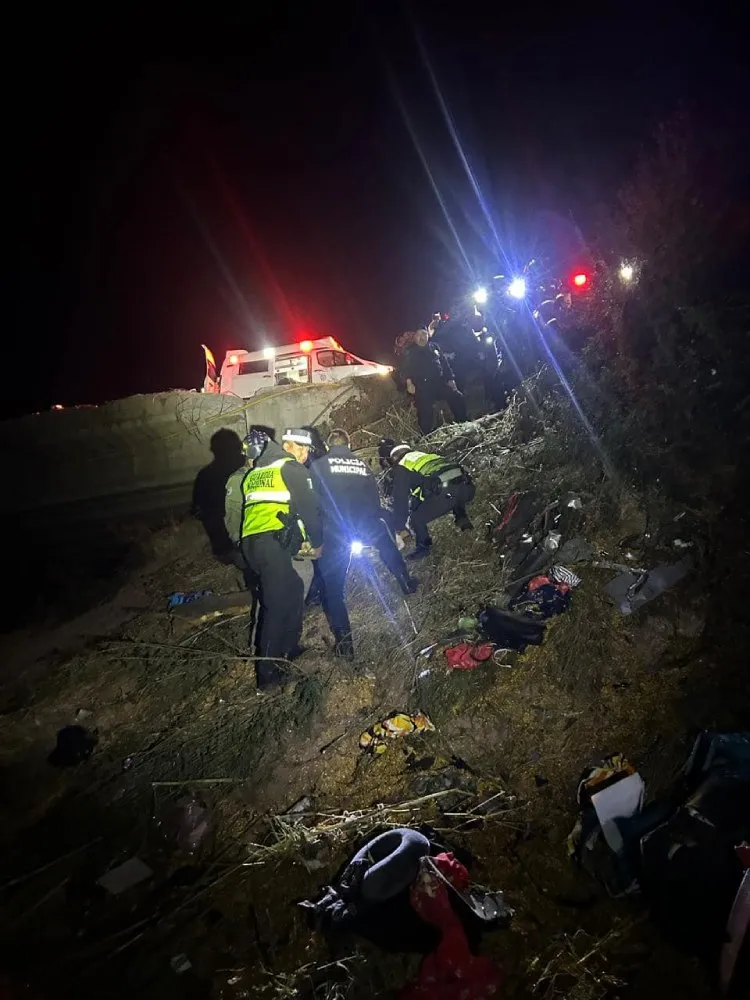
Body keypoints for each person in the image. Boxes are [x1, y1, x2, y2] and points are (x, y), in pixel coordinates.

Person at [310, 429, 418, 659]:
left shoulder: (319, 465)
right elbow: (373, 497)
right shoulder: (360, 465)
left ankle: (345, 644)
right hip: (365, 521)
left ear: (329, 446)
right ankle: (406, 583)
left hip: (335, 529)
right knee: (387, 547)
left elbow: (314, 502)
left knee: (334, 587)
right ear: (349, 444)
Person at [232, 426, 323, 691]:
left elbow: (275, 509)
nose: (305, 456)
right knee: (275, 605)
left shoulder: (256, 473)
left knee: (294, 589)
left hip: (254, 544)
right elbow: (308, 509)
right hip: (270, 544)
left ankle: (290, 648)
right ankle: (267, 675)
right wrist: (317, 544)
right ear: (289, 447)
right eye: (303, 450)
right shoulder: (289, 468)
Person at [379, 440, 475, 560]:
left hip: (446, 493)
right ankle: (462, 519)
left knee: (416, 518)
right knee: (445, 487)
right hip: (467, 488)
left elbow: (401, 497)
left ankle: (423, 547)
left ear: (393, 459)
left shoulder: (401, 467)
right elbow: (426, 485)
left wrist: (399, 525)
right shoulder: (423, 456)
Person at [191, 428, 246, 565]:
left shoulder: (204, 476)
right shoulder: (249, 468)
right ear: (239, 447)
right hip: (248, 546)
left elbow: (198, 512)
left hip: (223, 551)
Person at [399, 328, 467, 435]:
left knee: (457, 396)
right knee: (425, 411)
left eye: (424, 334)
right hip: (423, 387)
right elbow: (405, 370)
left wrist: (450, 380)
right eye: (418, 335)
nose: (421, 337)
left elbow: (445, 365)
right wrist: (409, 383)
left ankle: (464, 424)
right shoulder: (410, 352)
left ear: (428, 335)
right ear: (415, 338)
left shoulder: (434, 347)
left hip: (438, 384)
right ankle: (426, 437)